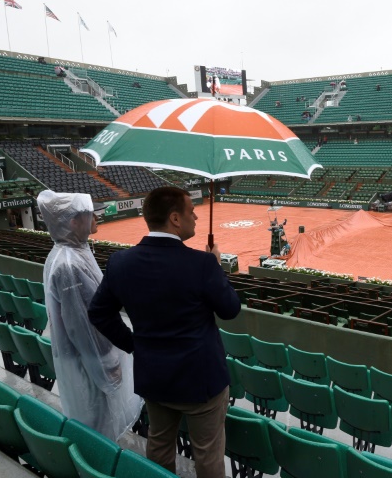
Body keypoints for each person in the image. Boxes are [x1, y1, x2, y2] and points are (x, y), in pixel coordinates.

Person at [88, 186, 241, 478]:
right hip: (202, 382)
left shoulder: (121, 262)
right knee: (207, 454)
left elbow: (98, 313)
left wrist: (134, 345)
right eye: (191, 211)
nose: (196, 216)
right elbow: (230, 309)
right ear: (174, 218)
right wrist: (217, 267)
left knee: (159, 445)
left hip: (154, 377)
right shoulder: (203, 264)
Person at [37, 190, 142, 441]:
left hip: (84, 361)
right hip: (89, 365)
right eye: (89, 214)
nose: (96, 217)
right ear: (73, 222)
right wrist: (106, 366)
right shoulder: (70, 264)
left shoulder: (69, 254)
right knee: (98, 429)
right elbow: (82, 327)